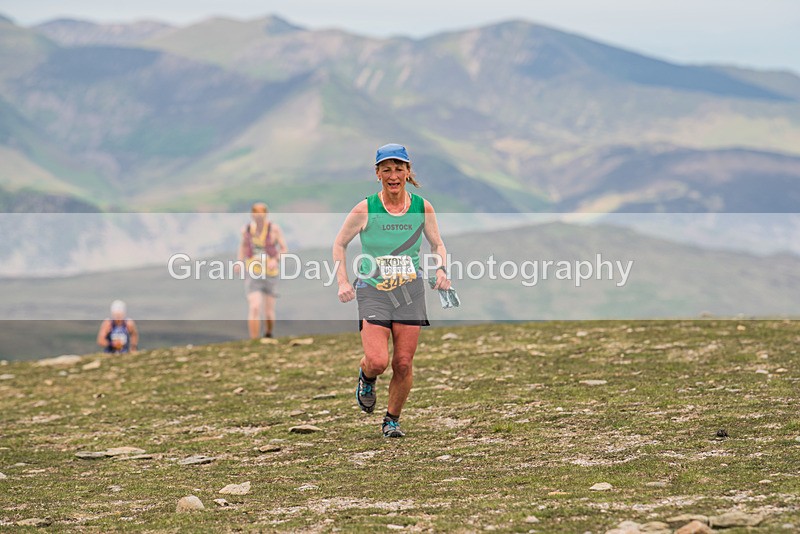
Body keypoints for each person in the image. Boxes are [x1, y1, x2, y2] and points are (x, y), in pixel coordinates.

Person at [333, 143, 451, 438]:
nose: (393, 175)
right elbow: (339, 244)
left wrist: (441, 271)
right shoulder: (365, 208)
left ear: (408, 172)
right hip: (373, 289)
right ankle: (366, 376)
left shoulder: (421, 207)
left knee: (402, 362)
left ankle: (391, 420)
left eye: (399, 168)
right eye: (387, 169)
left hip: (409, 290)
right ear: (378, 174)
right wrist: (343, 281)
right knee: (378, 361)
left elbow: (437, 243)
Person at [236, 202, 288, 339]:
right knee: (254, 306)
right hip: (252, 272)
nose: (258, 215)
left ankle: (268, 333)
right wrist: (239, 262)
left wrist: (275, 260)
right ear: (252, 214)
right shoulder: (246, 230)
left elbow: (284, 249)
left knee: (269, 311)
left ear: (266, 214)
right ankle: (254, 340)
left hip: (271, 274)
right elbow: (243, 247)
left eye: (261, 212)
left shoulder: (274, 229)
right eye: (255, 212)